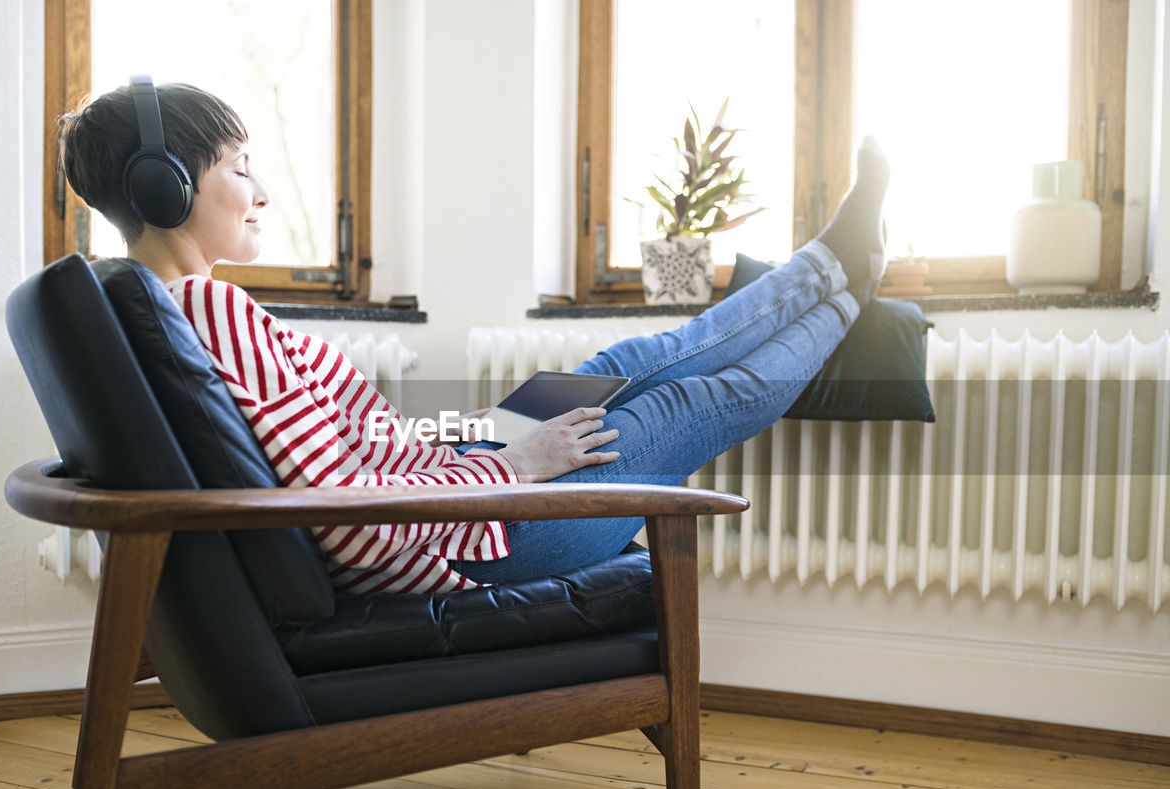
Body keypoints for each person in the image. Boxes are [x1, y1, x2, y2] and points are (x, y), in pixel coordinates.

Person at [59, 81, 889, 595]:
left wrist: (478, 442)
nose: (261, 189)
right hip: (480, 536)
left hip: (456, 484)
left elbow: (350, 457)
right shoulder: (208, 312)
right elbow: (345, 523)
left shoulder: (172, 307)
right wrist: (514, 466)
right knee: (688, 400)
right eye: (241, 166)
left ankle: (834, 271)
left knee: (622, 364)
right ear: (164, 188)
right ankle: (848, 289)